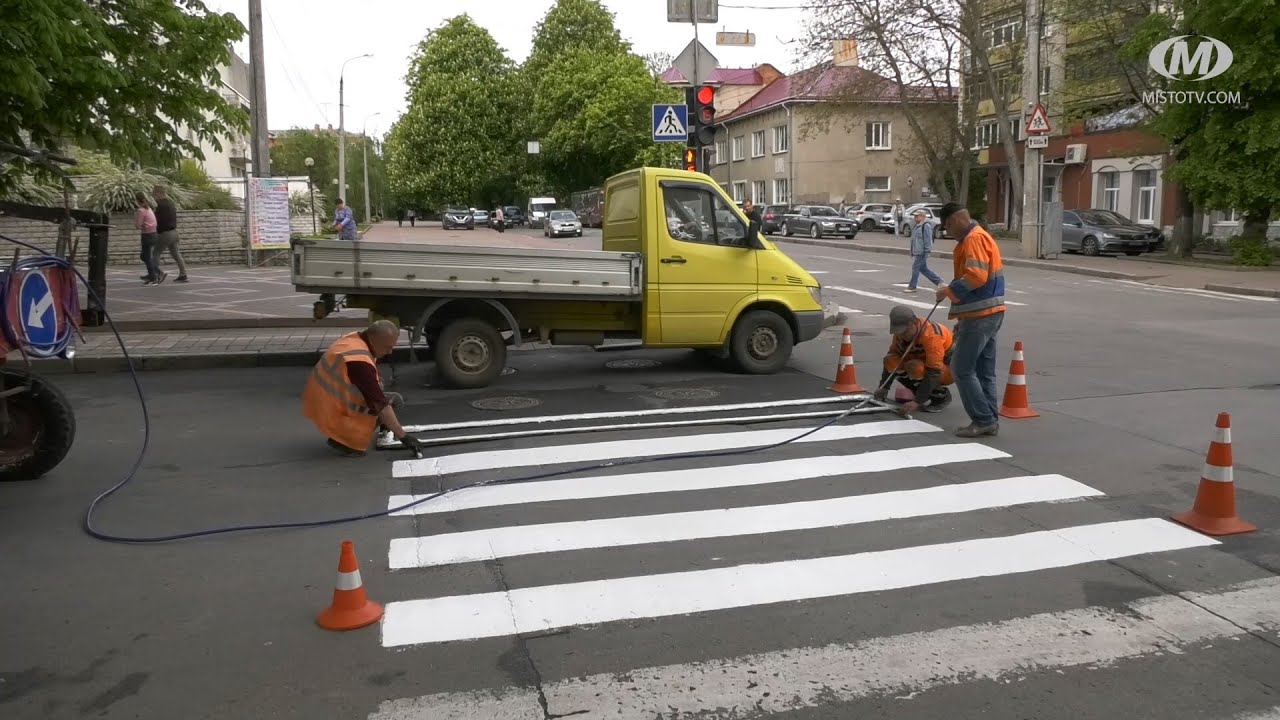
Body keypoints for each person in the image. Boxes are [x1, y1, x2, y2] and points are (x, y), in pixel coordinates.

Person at [302, 320, 424, 458]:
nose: (390, 352)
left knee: (393, 399)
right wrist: (404, 437)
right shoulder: (359, 361)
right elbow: (380, 404)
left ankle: (352, 431)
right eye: (386, 347)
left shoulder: (356, 339)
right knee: (386, 404)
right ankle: (347, 441)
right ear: (374, 339)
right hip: (330, 406)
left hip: (322, 398)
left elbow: (371, 373)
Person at [936, 202, 1006, 438]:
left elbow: (976, 276)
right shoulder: (981, 236)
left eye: (946, 227)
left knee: (961, 368)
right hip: (990, 311)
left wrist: (949, 291)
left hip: (980, 314)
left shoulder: (973, 239)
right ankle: (989, 419)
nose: (948, 233)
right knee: (984, 369)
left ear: (954, 220)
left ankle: (983, 419)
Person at [873, 305, 954, 417]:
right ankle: (920, 393)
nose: (903, 336)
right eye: (899, 333)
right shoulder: (900, 335)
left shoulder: (931, 336)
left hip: (945, 370)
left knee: (915, 367)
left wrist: (917, 402)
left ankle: (940, 395)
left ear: (914, 324)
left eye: (905, 333)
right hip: (921, 364)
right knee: (890, 361)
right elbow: (892, 357)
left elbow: (934, 371)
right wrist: (883, 387)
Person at [151, 185, 188, 283]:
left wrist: (156, 232)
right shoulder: (171, 204)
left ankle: (155, 275)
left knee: (155, 253)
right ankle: (183, 274)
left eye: (154, 194)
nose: (153, 197)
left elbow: (158, 220)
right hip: (174, 232)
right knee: (176, 253)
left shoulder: (160, 205)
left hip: (165, 233)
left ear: (158, 193)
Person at [905, 208, 942, 292]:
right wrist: (912, 251)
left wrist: (927, 251)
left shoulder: (926, 226)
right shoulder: (916, 226)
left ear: (922, 216)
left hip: (922, 251)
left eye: (917, 216)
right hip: (917, 251)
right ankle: (939, 281)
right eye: (915, 216)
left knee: (916, 268)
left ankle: (912, 286)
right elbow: (913, 240)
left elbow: (928, 240)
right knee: (923, 269)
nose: (915, 217)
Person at [134, 192, 163, 286]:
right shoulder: (149, 208)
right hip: (154, 234)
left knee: (146, 256)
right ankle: (157, 272)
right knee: (144, 256)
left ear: (137, 201)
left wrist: (138, 222)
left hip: (147, 235)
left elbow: (138, 226)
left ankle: (153, 278)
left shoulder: (141, 210)